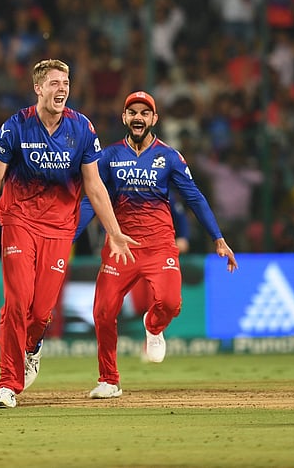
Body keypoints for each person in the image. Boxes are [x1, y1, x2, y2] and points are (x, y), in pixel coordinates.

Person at [0, 59, 138, 409]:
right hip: (19, 221)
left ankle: (32, 348)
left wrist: (114, 231)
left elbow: (94, 186)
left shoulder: (81, 128)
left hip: (60, 228)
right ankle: (8, 384)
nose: (62, 88)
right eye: (53, 83)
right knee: (17, 303)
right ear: (38, 88)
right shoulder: (16, 126)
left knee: (40, 313)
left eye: (65, 82)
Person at [76, 91, 238, 399]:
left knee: (170, 303)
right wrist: (67, 237)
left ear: (154, 119)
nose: (138, 117)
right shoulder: (109, 156)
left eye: (144, 113)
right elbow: (91, 202)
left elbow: (194, 198)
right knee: (103, 310)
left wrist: (218, 238)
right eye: (132, 112)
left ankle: (152, 326)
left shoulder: (170, 157)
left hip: (160, 246)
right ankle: (109, 380)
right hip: (120, 246)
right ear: (124, 118)